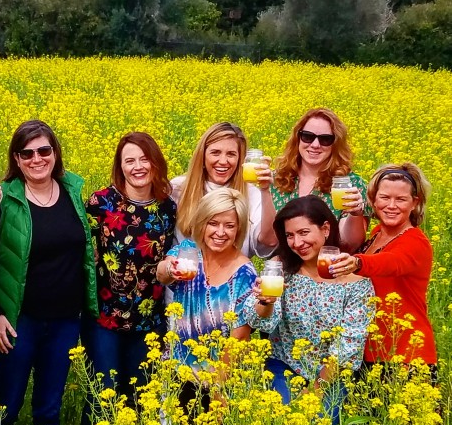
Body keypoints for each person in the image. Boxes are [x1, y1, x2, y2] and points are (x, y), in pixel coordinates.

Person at [0, 119, 97, 425]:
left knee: (49, 405)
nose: (37, 159)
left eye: (44, 150)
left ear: (55, 153)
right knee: (8, 402)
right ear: (16, 159)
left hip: (65, 321)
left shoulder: (75, 193)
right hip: (19, 321)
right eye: (27, 153)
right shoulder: (3, 200)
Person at [244, 196, 374, 425]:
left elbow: (347, 349)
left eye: (304, 232)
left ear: (325, 229)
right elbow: (257, 320)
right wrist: (265, 302)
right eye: (290, 235)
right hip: (282, 365)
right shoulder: (281, 269)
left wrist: (314, 392)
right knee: (283, 423)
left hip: (331, 375)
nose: (297, 242)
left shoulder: (357, 286)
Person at [82, 132, 176, 425]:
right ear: (119, 166)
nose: (138, 166)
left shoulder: (167, 207)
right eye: (129, 160)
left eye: (144, 159)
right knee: (103, 394)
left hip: (149, 320)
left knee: (141, 396)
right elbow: (85, 255)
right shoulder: (101, 203)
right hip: (104, 318)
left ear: (155, 162)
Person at [328, 163, 436, 372]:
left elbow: (391, 262)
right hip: (371, 353)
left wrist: (358, 262)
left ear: (415, 203)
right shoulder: (376, 233)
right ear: (373, 200)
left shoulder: (416, 241)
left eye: (401, 199)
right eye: (385, 197)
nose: (392, 205)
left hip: (407, 355)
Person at [157, 189, 256, 407]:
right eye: (213, 223)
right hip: (177, 372)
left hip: (220, 378)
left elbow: (238, 338)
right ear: (202, 223)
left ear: (239, 229)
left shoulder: (244, 274)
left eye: (229, 225)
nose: (220, 232)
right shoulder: (188, 252)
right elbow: (162, 273)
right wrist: (169, 269)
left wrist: (218, 393)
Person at [268, 108, 369, 251]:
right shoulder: (276, 179)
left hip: (328, 268)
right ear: (298, 138)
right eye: (308, 137)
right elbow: (266, 239)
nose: (315, 145)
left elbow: (349, 244)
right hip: (282, 267)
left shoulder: (350, 184)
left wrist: (355, 213)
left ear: (335, 144)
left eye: (325, 139)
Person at [170, 122, 276, 258]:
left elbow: (270, 240)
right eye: (215, 153)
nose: (223, 161)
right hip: (186, 276)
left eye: (231, 154)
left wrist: (265, 190)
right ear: (202, 156)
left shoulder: (251, 194)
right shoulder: (179, 189)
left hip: (233, 277)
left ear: (241, 160)